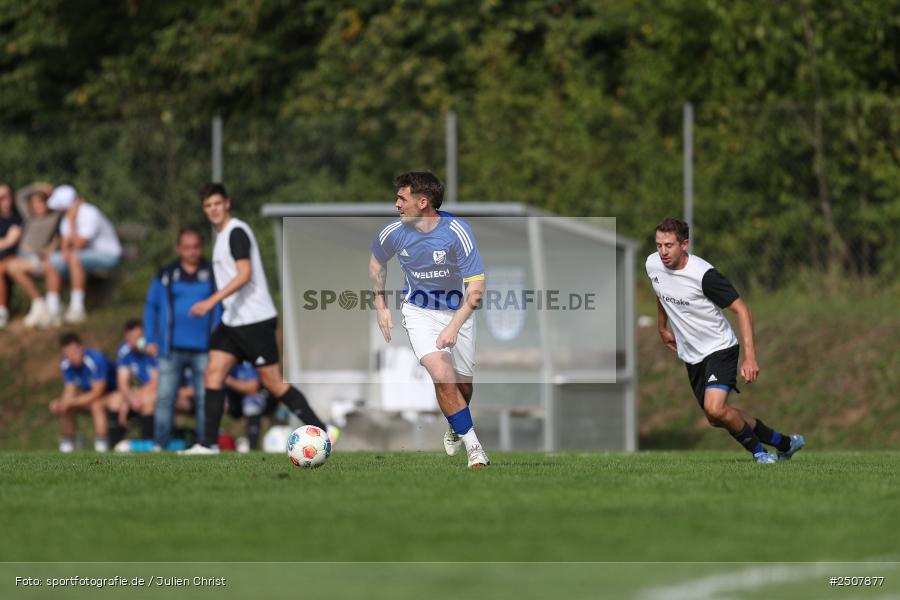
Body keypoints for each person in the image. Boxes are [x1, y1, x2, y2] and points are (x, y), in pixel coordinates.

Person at [181, 182, 335, 454]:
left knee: (273, 383)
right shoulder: (221, 238)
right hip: (232, 321)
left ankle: (323, 431)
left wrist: (211, 301)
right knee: (213, 374)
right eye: (208, 206)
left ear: (227, 203)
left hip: (255, 320)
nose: (213, 209)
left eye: (217, 203)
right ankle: (208, 444)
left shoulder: (236, 232)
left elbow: (245, 274)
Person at [646, 217, 804, 463]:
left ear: (684, 244)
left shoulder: (704, 276)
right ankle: (785, 443)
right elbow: (661, 292)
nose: (663, 252)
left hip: (720, 347)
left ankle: (760, 454)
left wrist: (750, 358)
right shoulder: (653, 264)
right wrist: (661, 326)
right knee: (716, 416)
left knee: (715, 408)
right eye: (659, 245)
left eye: (669, 245)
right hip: (691, 353)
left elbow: (742, 310)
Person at [369, 171, 490, 468]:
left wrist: (453, 326)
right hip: (419, 312)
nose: (396, 204)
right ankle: (475, 449)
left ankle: (455, 425)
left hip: (458, 313)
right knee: (441, 372)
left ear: (423, 202)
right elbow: (376, 262)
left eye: (402, 198)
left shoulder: (456, 231)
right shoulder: (393, 233)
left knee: (464, 388)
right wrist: (380, 304)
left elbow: (476, 289)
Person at [143, 227, 220, 450]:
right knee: (165, 397)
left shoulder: (213, 273)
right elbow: (152, 306)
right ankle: (161, 443)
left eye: (195, 247)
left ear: (201, 248)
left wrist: (219, 339)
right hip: (171, 348)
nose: (191, 252)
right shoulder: (166, 274)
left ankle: (206, 443)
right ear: (179, 249)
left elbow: (221, 307)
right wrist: (150, 337)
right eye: (186, 248)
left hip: (205, 348)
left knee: (205, 398)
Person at [45, 184, 122, 324]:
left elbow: (80, 245)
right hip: (83, 255)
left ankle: (77, 308)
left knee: (75, 258)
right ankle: (52, 309)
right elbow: (65, 246)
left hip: (108, 255)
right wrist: (65, 252)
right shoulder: (66, 218)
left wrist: (73, 223)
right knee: (51, 261)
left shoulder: (89, 213)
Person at [49, 332, 119, 453]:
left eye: (74, 352)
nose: (71, 356)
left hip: (113, 394)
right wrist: (62, 403)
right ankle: (68, 441)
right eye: (67, 354)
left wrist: (70, 402)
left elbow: (98, 392)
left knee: (96, 404)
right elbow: (69, 390)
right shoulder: (66, 364)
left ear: (82, 348)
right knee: (66, 406)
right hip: (91, 396)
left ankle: (101, 442)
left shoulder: (96, 360)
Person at [5, 186, 61, 328]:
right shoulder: (29, 217)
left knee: (12, 267)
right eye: (35, 203)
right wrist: (37, 186)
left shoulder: (53, 217)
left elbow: (56, 240)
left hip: (35, 257)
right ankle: (39, 304)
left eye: (41, 202)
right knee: (8, 267)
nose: (38, 206)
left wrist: (50, 192)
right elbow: (20, 195)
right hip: (22, 256)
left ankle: (39, 303)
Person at [110, 319, 159, 450]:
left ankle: (148, 444)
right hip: (140, 391)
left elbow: (157, 382)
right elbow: (122, 382)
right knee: (115, 400)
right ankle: (113, 446)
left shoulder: (154, 349)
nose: (135, 340)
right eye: (131, 337)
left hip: (161, 391)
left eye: (138, 337)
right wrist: (129, 399)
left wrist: (134, 397)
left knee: (147, 400)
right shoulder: (124, 350)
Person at [224, 361, 274, 452]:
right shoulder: (218, 364)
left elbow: (252, 387)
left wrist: (228, 380)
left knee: (251, 403)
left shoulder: (246, 364)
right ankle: (211, 444)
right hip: (232, 401)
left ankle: (253, 446)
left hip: (253, 400)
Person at [0, 182, 24, 329]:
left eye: (4, 197)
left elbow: (9, 242)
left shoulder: (18, 218)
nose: (2, 201)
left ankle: (1, 311)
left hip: (12, 257)